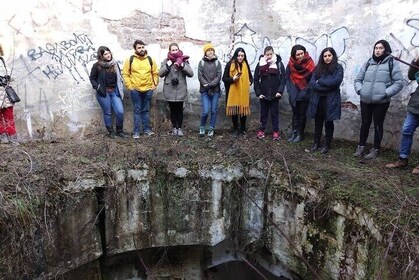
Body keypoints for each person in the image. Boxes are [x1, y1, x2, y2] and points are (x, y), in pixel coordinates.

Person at [353, 39, 404, 159]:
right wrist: (361, 90)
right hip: (365, 99)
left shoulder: (391, 63)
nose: (377, 50)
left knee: (377, 125)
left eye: (380, 48)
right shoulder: (368, 62)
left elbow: (399, 82)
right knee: (365, 123)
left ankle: (376, 149)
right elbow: (358, 80)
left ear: (385, 49)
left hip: (381, 101)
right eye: (376, 48)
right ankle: (361, 147)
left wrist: (385, 93)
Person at [385, 55, 419, 174]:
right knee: (406, 130)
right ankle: (402, 159)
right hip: (416, 105)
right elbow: (411, 76)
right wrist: (416, 60)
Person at [307, 47, 344, 154]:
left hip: (330, 100)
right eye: (325, 56)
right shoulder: (318, 68)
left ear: (333, 56)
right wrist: (324, 84)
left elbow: (335, 82)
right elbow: (313, 83)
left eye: (329, 55)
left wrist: (321, 81)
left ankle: (326, 145)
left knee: (329, 122)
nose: (327, 58)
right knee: (318, 122)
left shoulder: (338, 68)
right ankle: (316, 143)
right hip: (318, 99)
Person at [122, 40, 159, 138]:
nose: (141, 49)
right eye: (139, 48)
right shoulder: (131, 59)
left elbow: (155, 73)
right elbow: (125, 74)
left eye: (143, 47)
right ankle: (136, 131)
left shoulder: (150, 59)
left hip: (148, 89)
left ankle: (147, 130)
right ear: (135, 49)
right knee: (137, 110)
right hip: (135, 90)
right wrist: (130, 87)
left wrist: (154, 85)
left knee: (146, 110)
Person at [89, 46, 127, 139]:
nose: (108, 55)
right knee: (107, 112)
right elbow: (92, 78)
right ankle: (111, 132)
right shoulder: (97, 65)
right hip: (103, 93)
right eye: (105, 54)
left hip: (114, 91)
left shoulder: (114, 64)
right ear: (101, 55)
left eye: (108, 52)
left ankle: (119, 131)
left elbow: (119, 76)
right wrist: (97, 87)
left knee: (120, 112)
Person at [159, 43, 194, 136]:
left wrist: (182, 65)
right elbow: (160, 73)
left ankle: (180, 128)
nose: (174, 51)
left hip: (180, 89)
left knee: (180, 109)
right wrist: (168, 65)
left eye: (176, 49)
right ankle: (174, 127)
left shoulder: (184, 60)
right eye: (172, 50)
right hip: (170, 89)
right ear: (169, 51)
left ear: (179, 50)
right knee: (172, 110)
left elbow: (191, 73)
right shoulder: (166, 61)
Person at [254, 46, 286, 140]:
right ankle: (261, 131)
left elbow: (283, 79)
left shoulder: (278, 63)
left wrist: (280, 91)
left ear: (273, 53)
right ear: (264, 54)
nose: (268, 56)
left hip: (274, 95)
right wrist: (258, 93)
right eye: (267, 54)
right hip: (263, 95)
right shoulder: (260, 64)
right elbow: (256, 79)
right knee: (263, 114)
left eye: (270, 54)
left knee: (274, 114)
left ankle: (275, 132)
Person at [285, 44, 316, 143]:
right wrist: (290, 91)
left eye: (301, 53)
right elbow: (287, 79)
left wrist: (305, 91)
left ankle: (300, 134)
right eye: (297, 54)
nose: (300, 56)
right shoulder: (290, 65)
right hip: (294, 93)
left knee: (302, 114)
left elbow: (312, 80)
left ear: (305, 52)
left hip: (305, 93)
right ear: (294, 55)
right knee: (295, 114)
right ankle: (294, 132)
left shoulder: (310, 64)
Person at [222, 47, 253, 137]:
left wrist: (249, 81)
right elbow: (224, 78)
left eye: (242, 56)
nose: (240, 57)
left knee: (243, 111)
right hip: (233, 92)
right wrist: (233, 79)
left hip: (243, 92)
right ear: (236, 56)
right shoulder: (230, 65)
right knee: (235, 111)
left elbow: (251, 77)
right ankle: (235, 129)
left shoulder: (245, 65)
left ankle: (243, 129)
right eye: (238, 55)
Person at [198, 43, 222, 137]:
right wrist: (207, 85)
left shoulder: (217, 63)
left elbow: (219, 76)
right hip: (204, 90)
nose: (210, 51)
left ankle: (211, 127)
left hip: (215, 90)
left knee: (213, 110)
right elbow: (200, 76)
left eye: (212, 50)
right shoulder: (202, 63)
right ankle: (202, 126)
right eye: (208, 50)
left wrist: (211, 84)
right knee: (205, 110)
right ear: (205, 52)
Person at [0, 43, 19, 145]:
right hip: (4, 93)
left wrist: (7, 78)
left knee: (9, 118)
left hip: (5, 95)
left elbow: (12, 75)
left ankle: (12, 139)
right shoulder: (3, 62)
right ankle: (4, 140)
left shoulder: (3, 62)